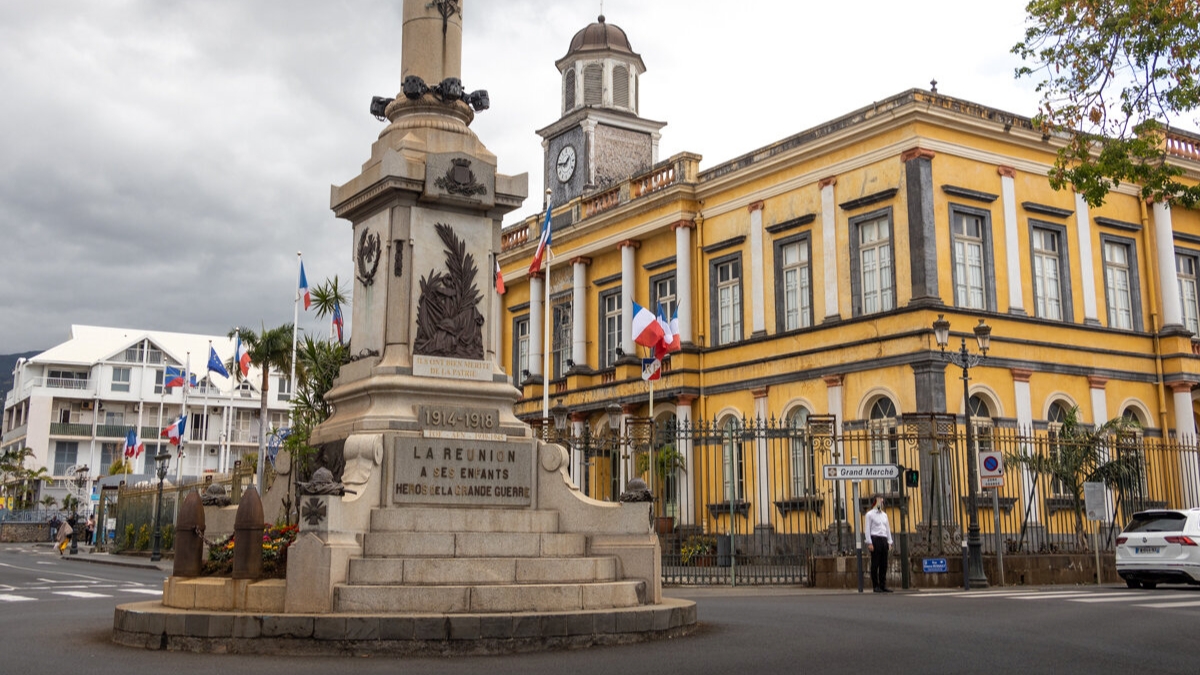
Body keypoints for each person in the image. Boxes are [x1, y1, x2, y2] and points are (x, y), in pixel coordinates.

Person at [864, 493, 894, 593]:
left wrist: (889, 541)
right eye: (880, 499)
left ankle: (883, 585)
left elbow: (887, 528)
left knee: (884, 564)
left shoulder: (884, 515)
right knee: (875, 563)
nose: (882, 501)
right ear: (875, 501)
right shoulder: (869, 514)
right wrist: (869, 542)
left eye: (882, 499)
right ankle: (875, 586)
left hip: (883, 539)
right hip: (875, 539)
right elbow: (867, 529)